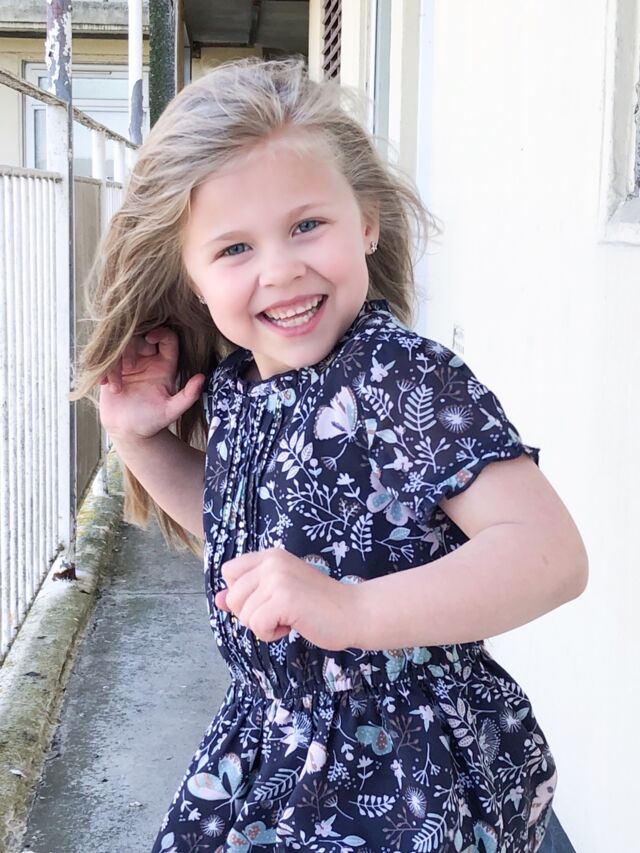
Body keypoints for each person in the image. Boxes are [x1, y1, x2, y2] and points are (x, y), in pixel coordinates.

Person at [72, 57, 587, 853]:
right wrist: (140, 439)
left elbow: (550, 554)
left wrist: (352, 611)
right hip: (276, 749)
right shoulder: (241, 387)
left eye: (307, 225)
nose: (281, 269)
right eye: (234, 247)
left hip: (405, 778)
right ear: (192, 277)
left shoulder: (398, 376)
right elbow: (249, 536)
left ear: (366, 221)